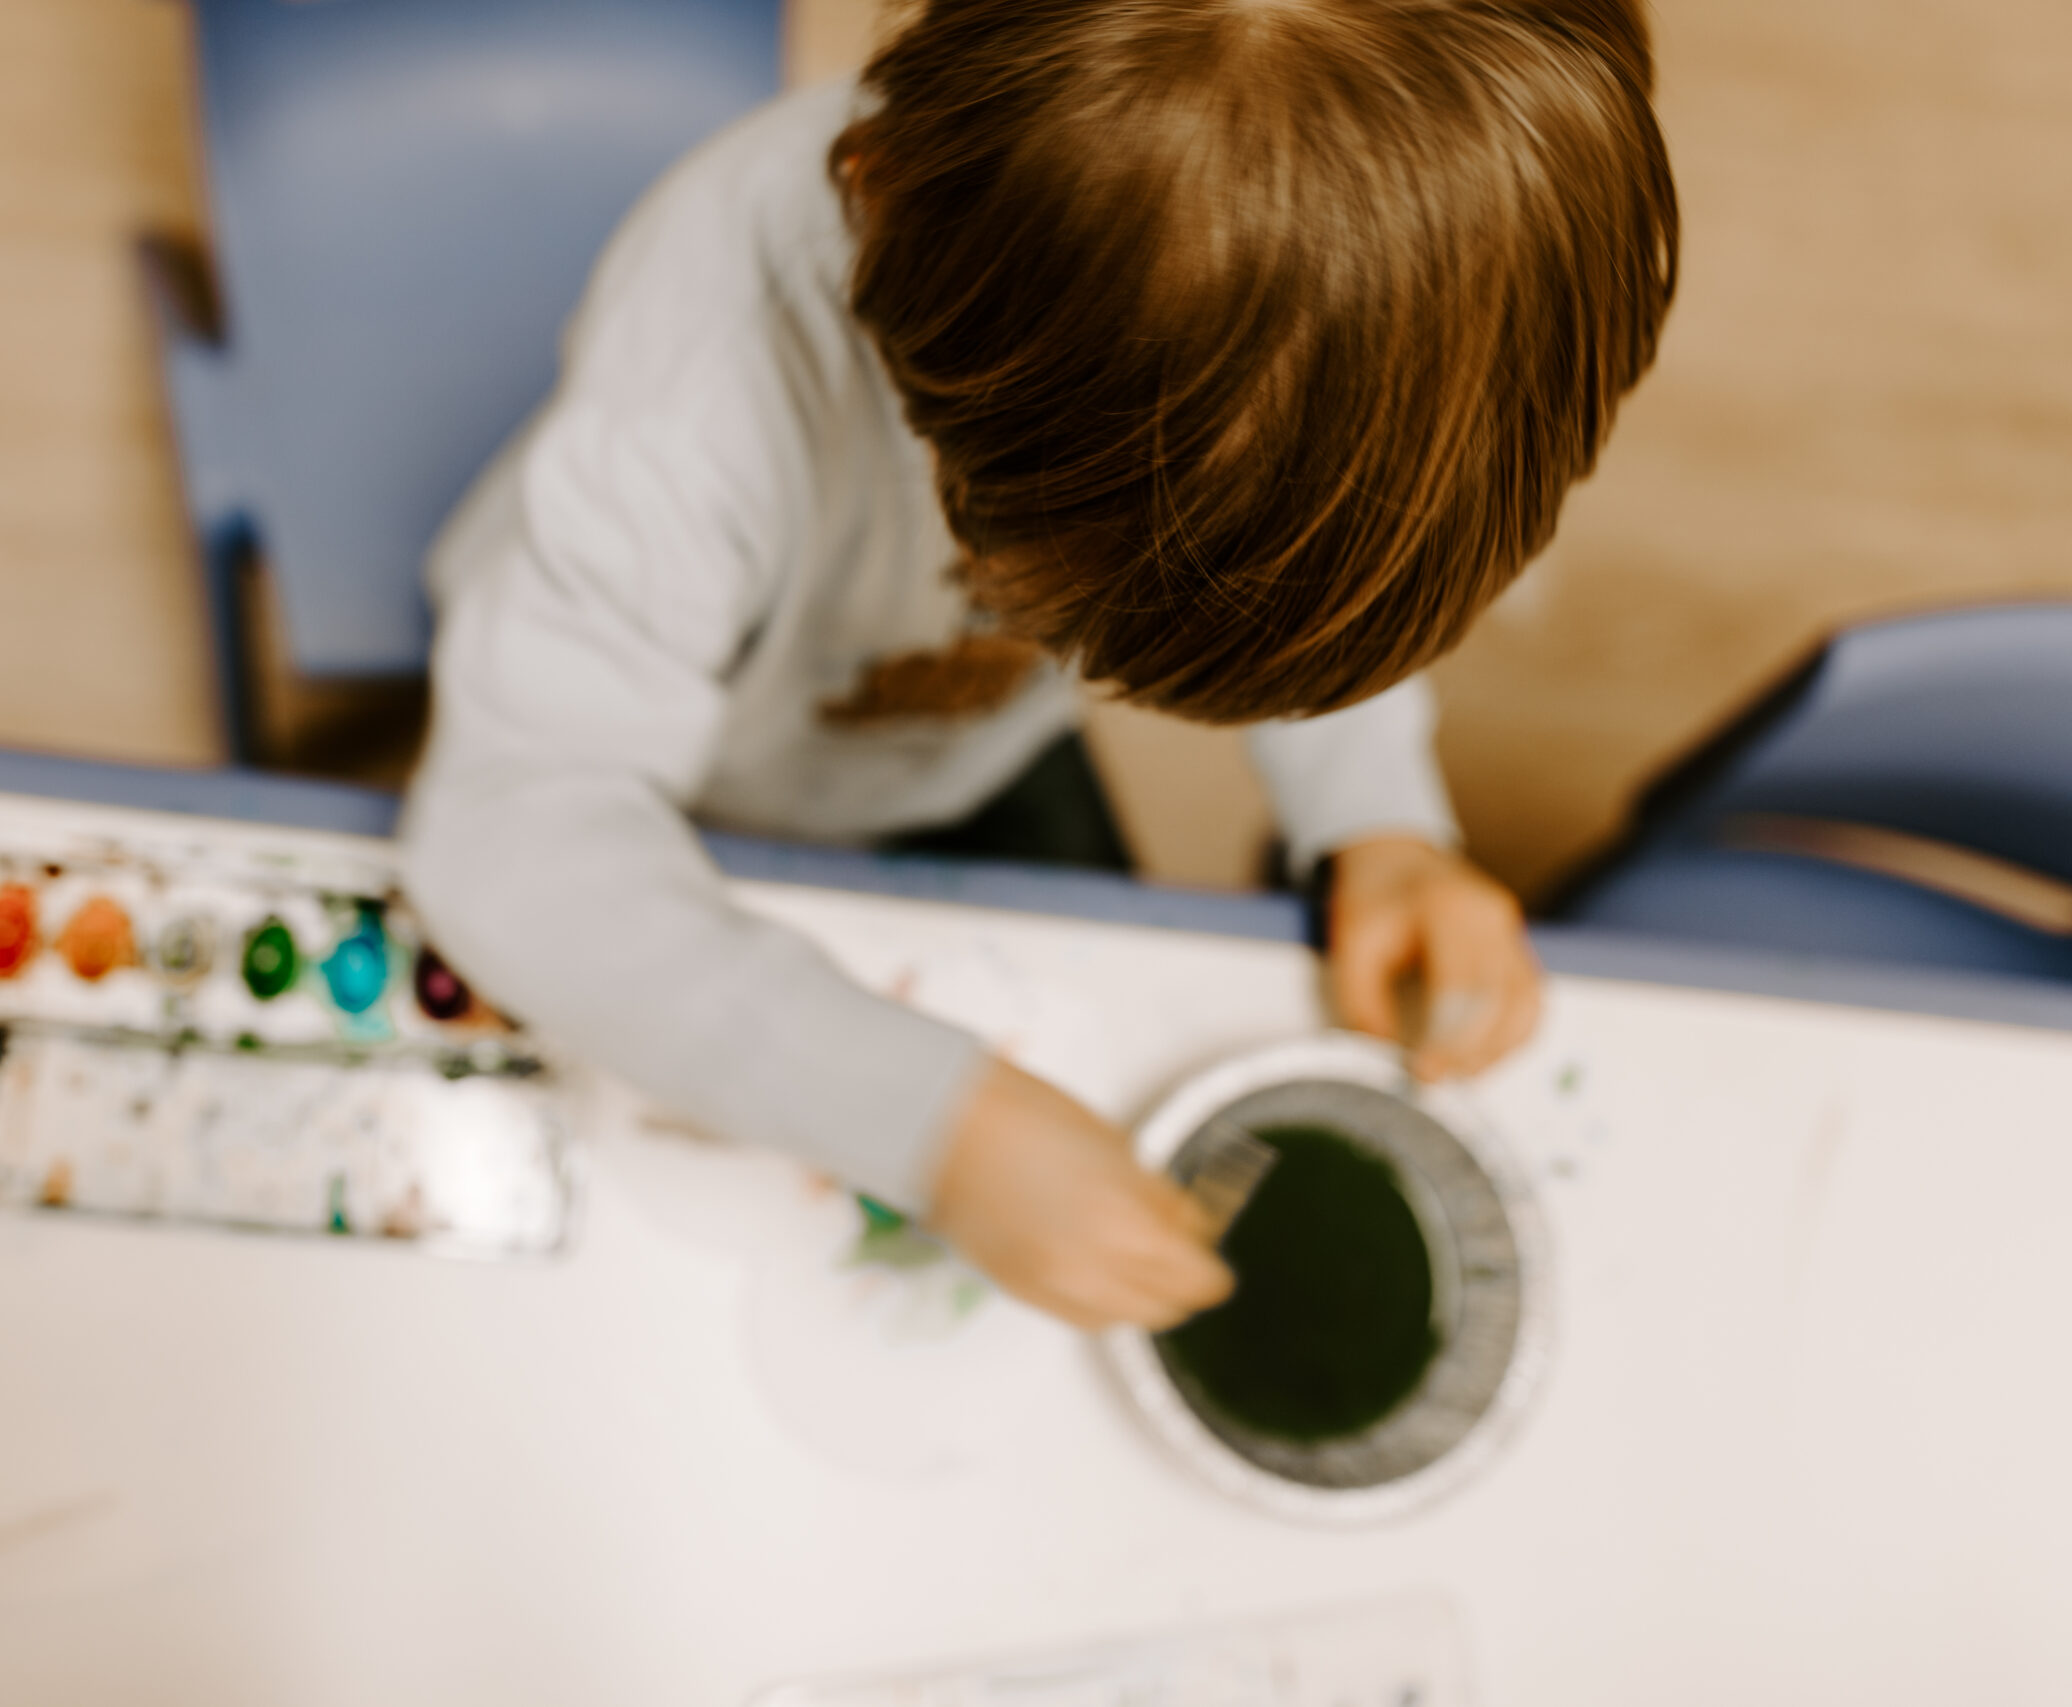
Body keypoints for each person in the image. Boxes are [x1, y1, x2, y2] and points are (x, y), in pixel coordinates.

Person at [403, 0, 1677, 1330]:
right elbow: (512, 832)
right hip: (671, 763)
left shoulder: (1113, 322)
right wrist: (931, 1124)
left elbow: (1294, 540)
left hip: (949, 749)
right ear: (874, 200)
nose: (1055, 640)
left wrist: (1376, 815)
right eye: (1056, 605)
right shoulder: (711, 371)